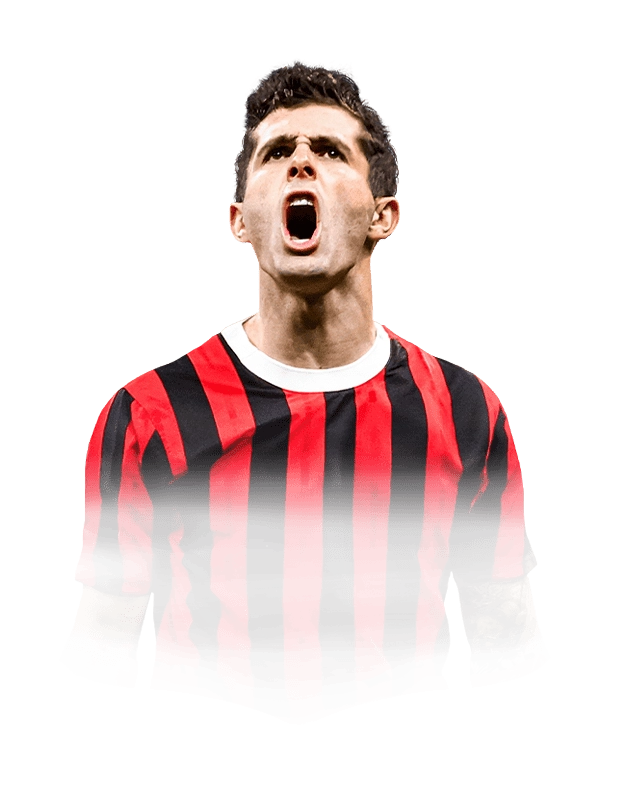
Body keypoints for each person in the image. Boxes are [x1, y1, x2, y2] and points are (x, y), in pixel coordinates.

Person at [60, 58, 549, 724]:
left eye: (330, 150)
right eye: (276, 152)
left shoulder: (466, 412)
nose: (300, 163)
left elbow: (506, 652)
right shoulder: (151, 413)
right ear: (239, 220)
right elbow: (100, 649)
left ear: (382, 215)